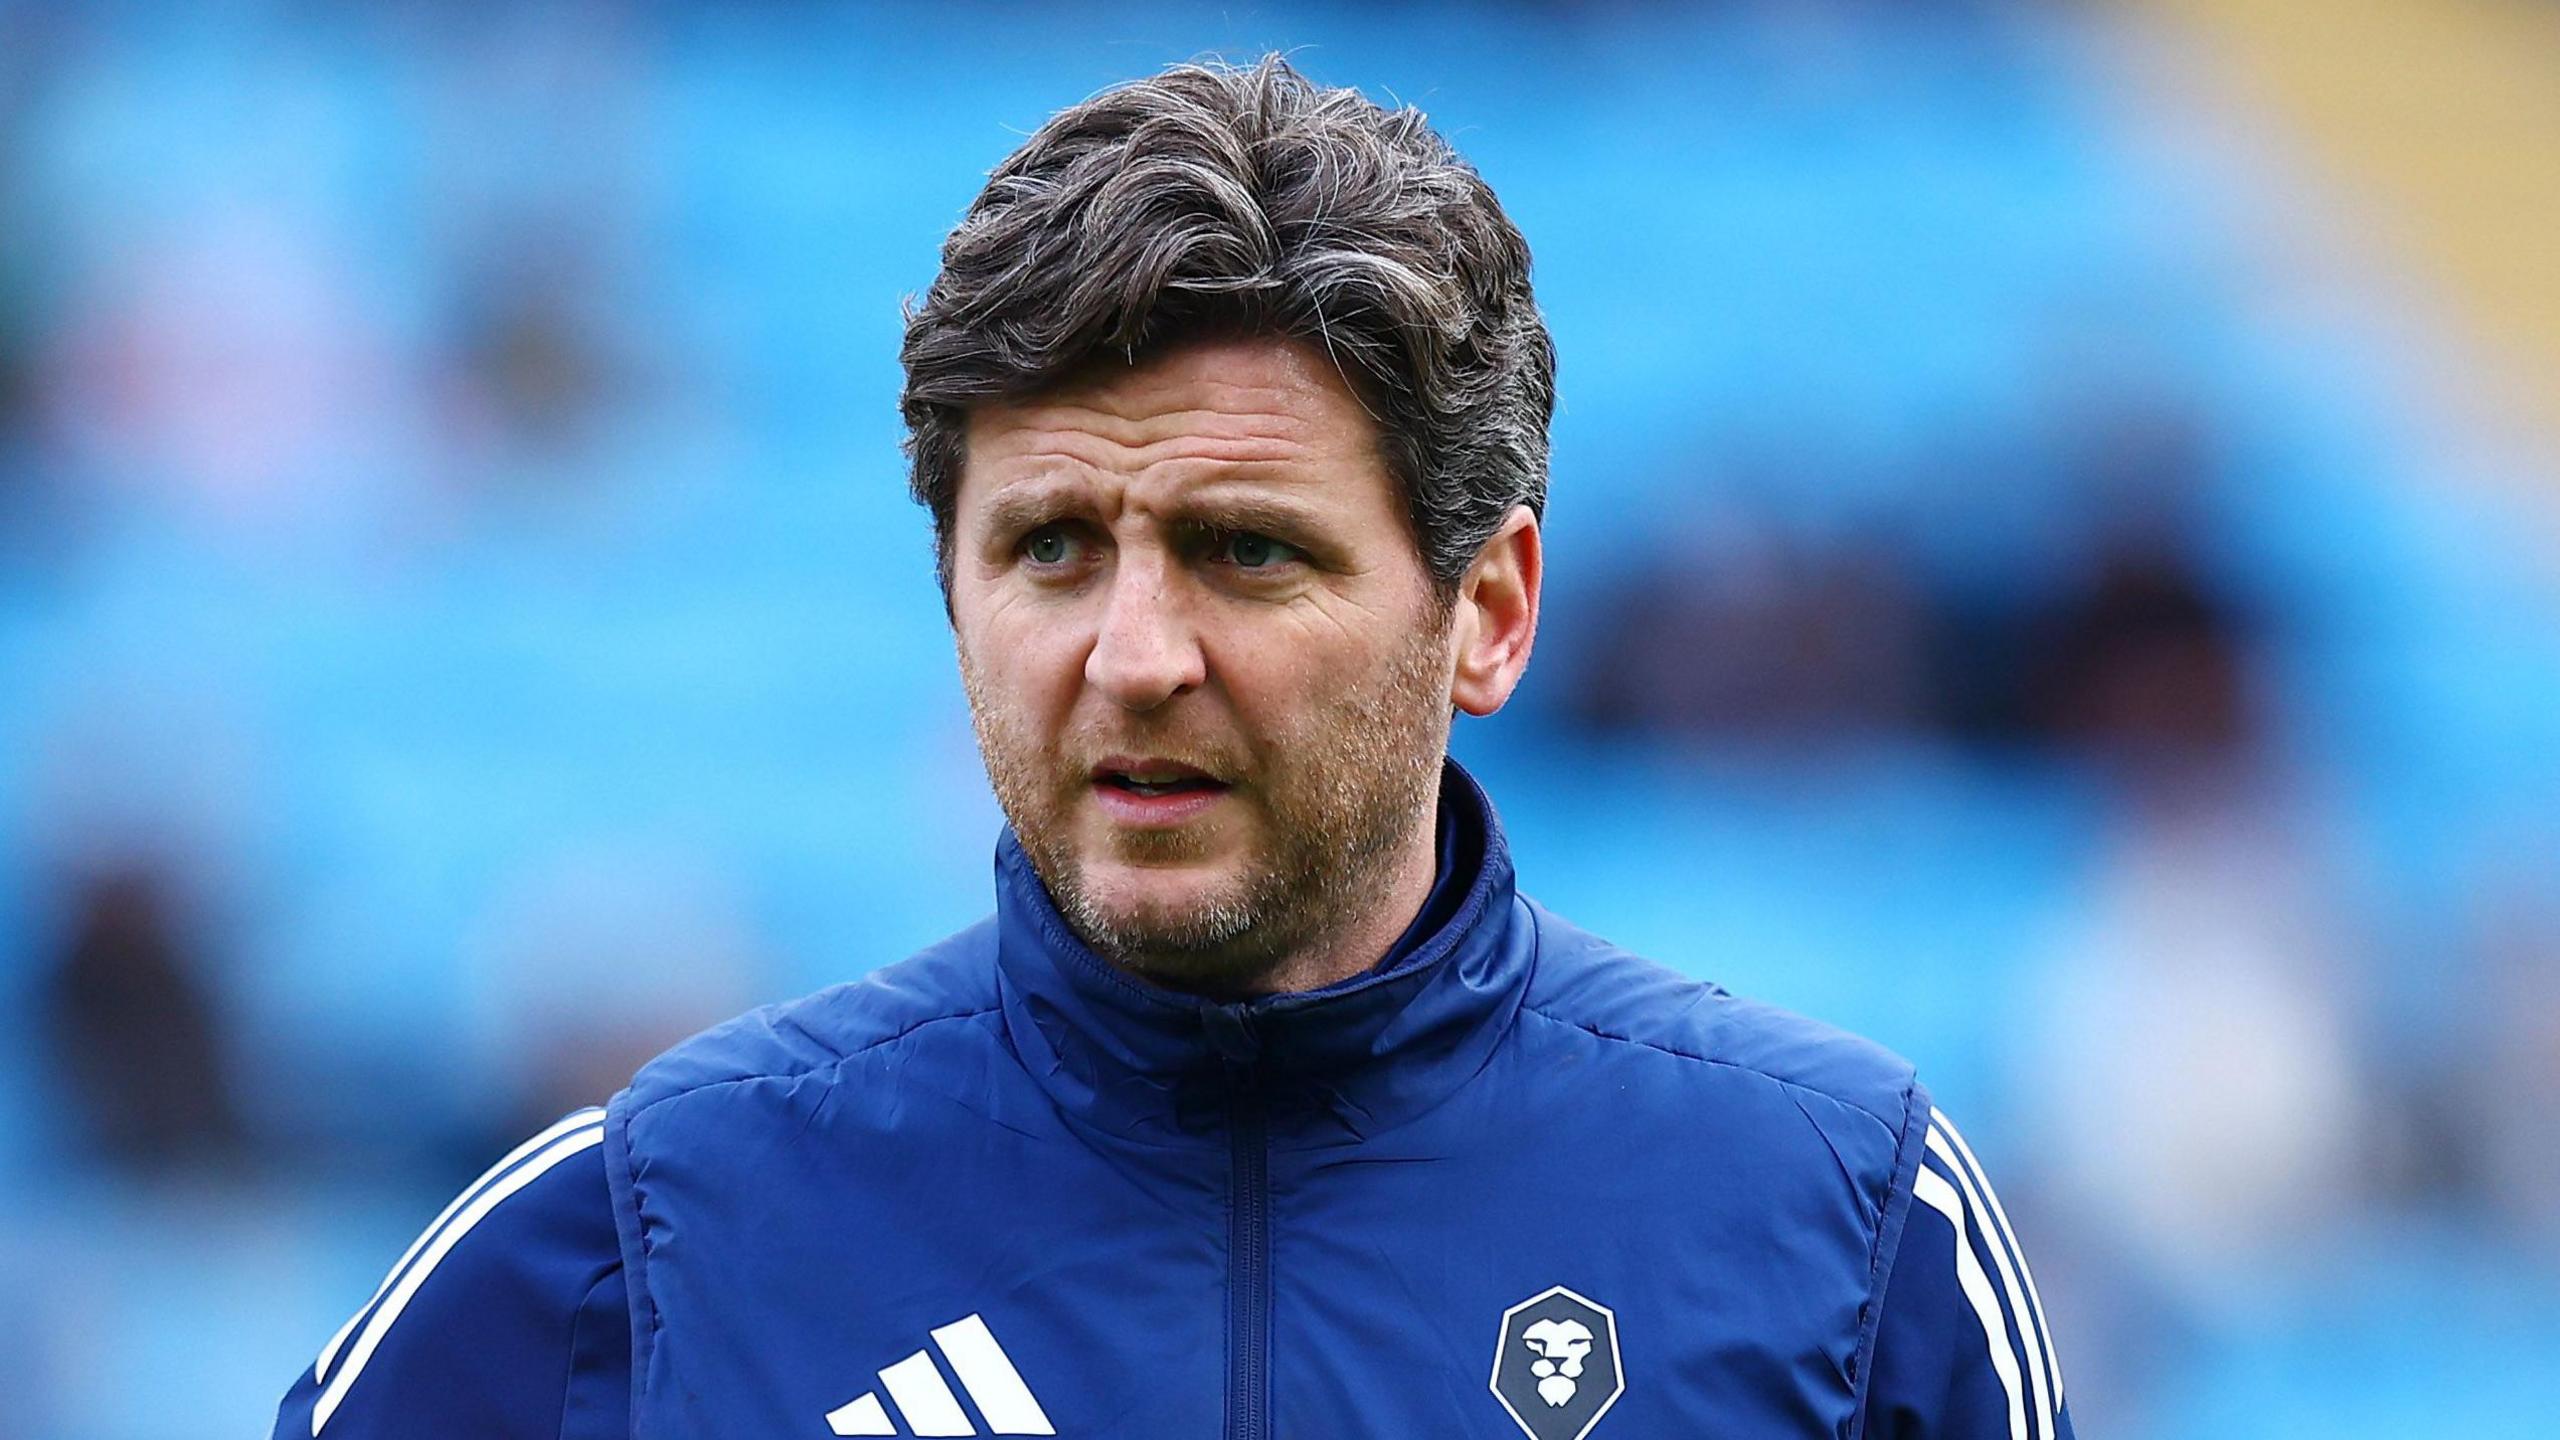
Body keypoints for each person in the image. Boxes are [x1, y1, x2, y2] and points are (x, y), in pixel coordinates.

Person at [272, 56, 2073, 1440]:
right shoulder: (644, 1245)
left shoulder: (1843, 1228)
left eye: (1247, 550)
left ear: (1491, 612)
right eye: (1051, 548)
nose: (1133, 659)